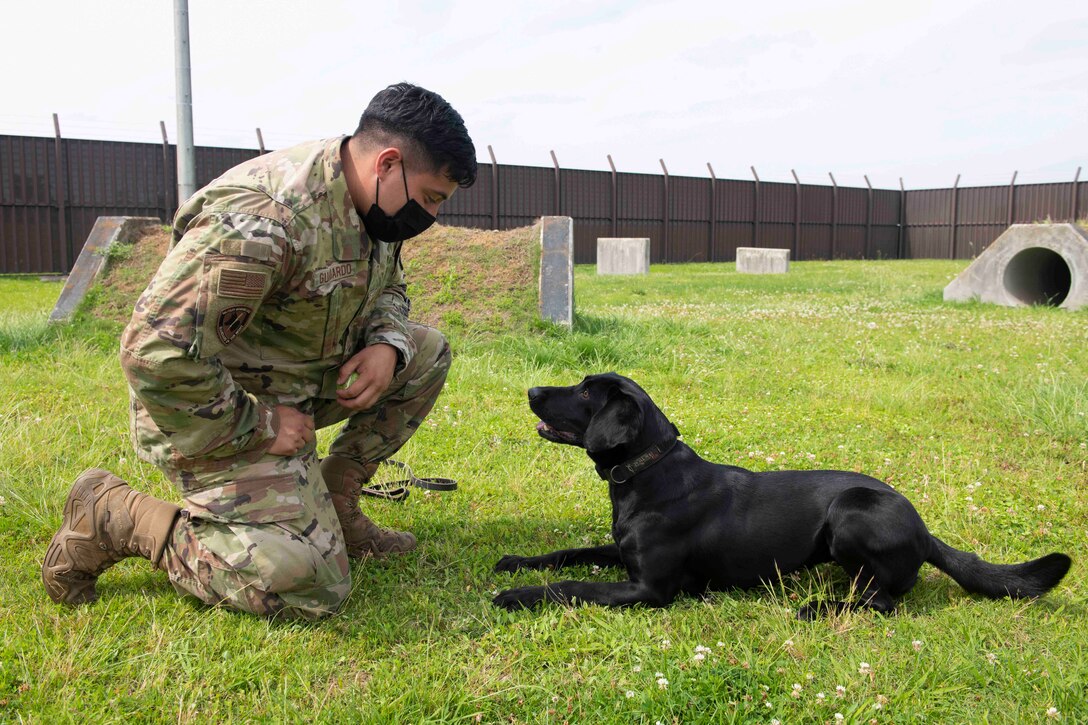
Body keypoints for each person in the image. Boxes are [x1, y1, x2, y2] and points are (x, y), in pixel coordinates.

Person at [41, 82, 477, 619]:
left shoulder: (373, 202)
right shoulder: (263, 222)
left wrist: (387, 343)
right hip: (209, 409)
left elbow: (389, 284)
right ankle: (114, 514)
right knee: (307, 583)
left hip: (296, 382)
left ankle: (336, 503)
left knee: (423, 351)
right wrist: (260, 424)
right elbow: (155, 351)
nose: (429, 216)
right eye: (431, 198)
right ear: (388, 163)